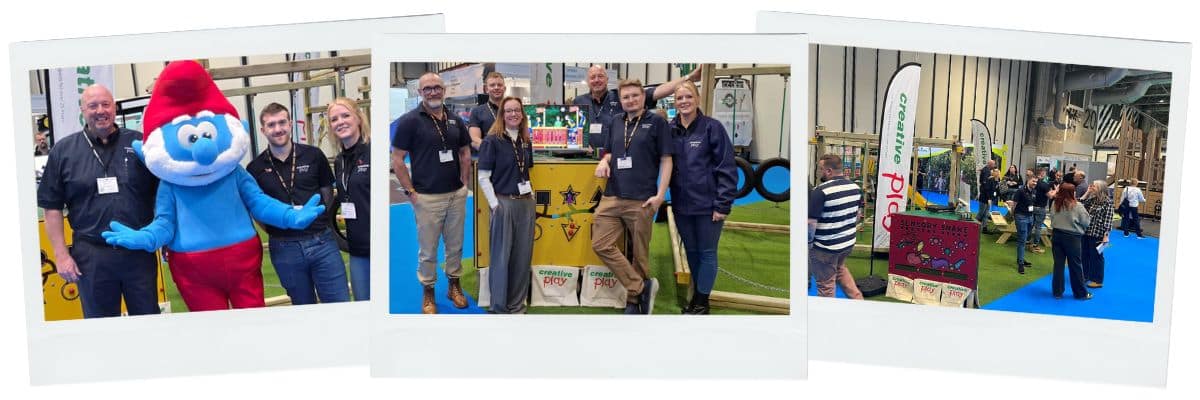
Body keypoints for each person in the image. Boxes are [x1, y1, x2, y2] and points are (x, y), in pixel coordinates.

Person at [37, 84, 161, 318]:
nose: (100, 110)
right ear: (83, 110)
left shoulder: (140, 144)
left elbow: (164, 193)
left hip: (138, 251)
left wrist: (163, 235)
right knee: (99, 326)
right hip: (92, 256)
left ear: (114, 108)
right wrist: (61, 255)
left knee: (148, 321)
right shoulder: (64, 151)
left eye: (105, 104)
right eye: (92, 106)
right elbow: (51, 206)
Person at [246, 103, 350, 305]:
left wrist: (315, 220)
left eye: (282, 122)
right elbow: (257, 210)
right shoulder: (255, 168)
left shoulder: (313, 155)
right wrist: (279, 229)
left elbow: (327, 192)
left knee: (339, 304)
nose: (278, 129)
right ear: (263, 130)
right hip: (285, 247)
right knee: (302, 308)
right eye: (271, 124)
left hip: (322, 242)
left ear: (290, 123)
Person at [591, 78, 674, 315]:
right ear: (621, 100)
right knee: (601, 244)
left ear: (642, 97)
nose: (630, 100)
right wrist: (604, 161)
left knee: (640, 253)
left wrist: (660, 195)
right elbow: (610, 152)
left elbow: (667, 159)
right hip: (612, 195)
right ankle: (639, 286)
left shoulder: (656, 122)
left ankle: (633, 300)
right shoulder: (616, 121)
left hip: (642, 198)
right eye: (625, 97)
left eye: (635, 96)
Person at [392, 72, 472, 314]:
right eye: (428, 88)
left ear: (444, 90)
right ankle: (428, 292)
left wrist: (464, 184)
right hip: (426, 198)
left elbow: (465, 153)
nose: (433, 92)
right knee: (428, 251)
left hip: (456, 195)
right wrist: (411, 192)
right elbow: (397, 160)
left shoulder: (455, 120)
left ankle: (453, 286)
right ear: (420, 92)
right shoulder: (409, 121)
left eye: (437, 87)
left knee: (455, 246)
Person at [667, 81, 737, 315]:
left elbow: (726, 168)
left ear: (697, 99)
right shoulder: (671, 129)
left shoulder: (712, 128)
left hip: (708, 206)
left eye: (688, 97)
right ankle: (698, 295)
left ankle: (701, 302)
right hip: (681, 205)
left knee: (707, 252)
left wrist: (722, 203)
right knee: (692, 252)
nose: (684, 101)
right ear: (674, 103)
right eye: (679, 98)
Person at [477, 96, 535, 314]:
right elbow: (483, 176)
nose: (513, 114)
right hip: (503, 203)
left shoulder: (525, 140)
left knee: (522, 257)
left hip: (525, 204)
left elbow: (525, 171)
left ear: (522, 114)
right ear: (502, 114)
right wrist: (494, 205)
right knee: (501, 258)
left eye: (517, 110)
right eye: (508, 111)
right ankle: (499, 307)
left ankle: (516, 305)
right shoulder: (492, 141)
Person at [573, 65, 702, 148]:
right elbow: (572, 130)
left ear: (607, 79)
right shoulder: (578, 102)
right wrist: (582, 146)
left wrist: (689, 77)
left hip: (617, 160)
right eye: (593, 77)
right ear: (588, 81)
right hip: (586, 161)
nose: (596, 80)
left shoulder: (621, 97)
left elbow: (657, 91)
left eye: (600, 76)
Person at [328, 98, 372, 301]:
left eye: (346, 115)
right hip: (357, 249)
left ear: (358, 119)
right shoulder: (339, 161)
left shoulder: (373, 153)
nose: (340, 122)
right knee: (363, 304)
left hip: (379, 246)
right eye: (334, 119)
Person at [809, 154, 864, 299]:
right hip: (847, 244)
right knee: (840, 269)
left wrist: (807, 244)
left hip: (825, 248)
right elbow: (858, 216)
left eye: (821, 169)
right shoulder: (856, 188)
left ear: (828, 171)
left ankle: (827, 319)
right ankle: (859, 301)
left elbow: (810, 223)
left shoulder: (820, 191)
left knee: (825, 286)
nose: (820, 172)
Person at [1049, 182, 1092, 300]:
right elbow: (1086, 222)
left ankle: (1057, 292)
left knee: (1058, 265)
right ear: (1072, 192)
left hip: (1057, 235)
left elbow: (1052, 217)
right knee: (1075, 265)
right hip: (1072, 237)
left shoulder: (1055, 204)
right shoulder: (1077, 206)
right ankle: (1081, 293)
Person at [1081, 180, 1113, 289]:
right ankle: (1085, 276)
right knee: (1084, 255)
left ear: (1100, 188)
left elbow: (1108, 220)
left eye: (1093, 186)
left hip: (1098, 234)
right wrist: (1087, 192)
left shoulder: (1108, 202)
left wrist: (1106, 235)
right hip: (1087, 232)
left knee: (1097, 257)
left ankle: (1098, 280)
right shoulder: (1092, 199)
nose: (1091, 186)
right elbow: (1080, 204)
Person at [467, 71, 507, 152]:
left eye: (500, 85)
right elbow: (474, 140)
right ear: (486, 89)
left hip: (511, 159)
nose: (496, 87)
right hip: (488, 159)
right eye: (492, 85)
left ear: (504, 88)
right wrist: (494, 150)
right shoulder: (477, 112)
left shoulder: (512, 110)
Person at [1007, 177, 1038, 274]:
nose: (1035, 183)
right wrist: (1013, 214)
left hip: (1030, 217)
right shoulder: (1020, 191)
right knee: (1022, 240)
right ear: (1028, 180)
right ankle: (1020, 263)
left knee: (1025, 239)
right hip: (1021, 217)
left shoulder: (1034, 191)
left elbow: (1032, 204)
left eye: (1036, 182)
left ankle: (1020, 258)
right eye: (1033, 181)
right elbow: (1014, 204)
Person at [1029, 167, 1052, 254]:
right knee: (1038, 227)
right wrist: (1055, 191)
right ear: (1042, 174)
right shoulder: (1044, 185)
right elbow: (1050, 196)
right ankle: (1035, 245)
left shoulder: (1031, 183)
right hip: (1040, 208)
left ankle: (1027, 242)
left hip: (1031, 207)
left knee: (1030, 225)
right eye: (1045, 173)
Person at [975, 159, 997, 231]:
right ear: (990, 164)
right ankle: (973, 226)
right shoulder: (986, 171)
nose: (994, 166)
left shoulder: (988, 171)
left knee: (986, 213)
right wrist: (989, 198)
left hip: (987, 196)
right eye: (993, 164)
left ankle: (984, 228)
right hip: (985, 197)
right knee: (981, 213)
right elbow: (985, 185)